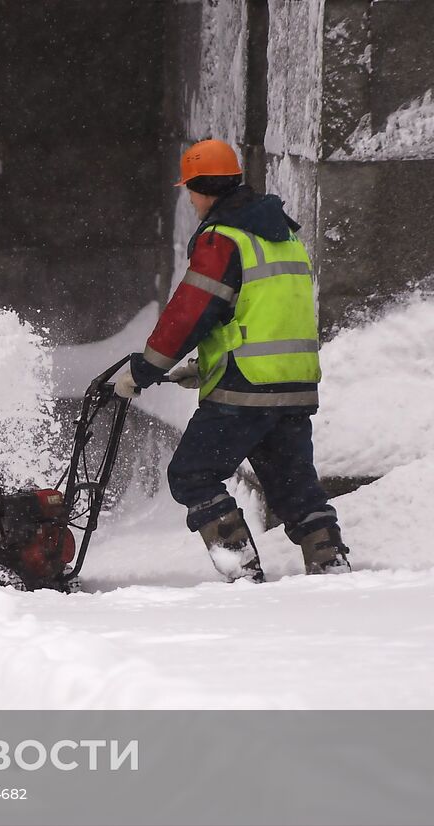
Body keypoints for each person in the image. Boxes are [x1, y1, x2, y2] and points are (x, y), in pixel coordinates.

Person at [114, 138, 351, 582]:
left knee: (191, 475)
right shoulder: (282, 235)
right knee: (294, 488)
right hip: (294, 385)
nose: (190, 199)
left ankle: (242, 573)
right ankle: (332, 567)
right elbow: (265, 317)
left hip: (245, 390)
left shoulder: (223, 239)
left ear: (202, 189)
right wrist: (206, 365)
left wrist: (144, 370)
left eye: (190, 190)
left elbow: (190, 313)